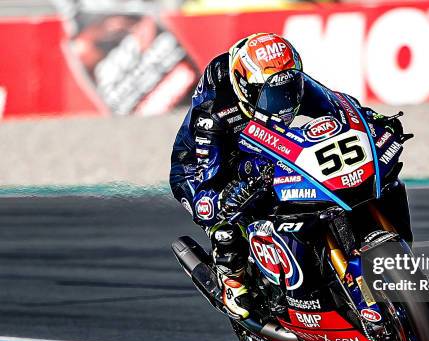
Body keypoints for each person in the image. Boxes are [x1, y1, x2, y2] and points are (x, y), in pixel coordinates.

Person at [170, 32, 411, 320]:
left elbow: (341, 108)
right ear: (246, 88)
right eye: (270, 94)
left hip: (258, 144)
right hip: (202, 166)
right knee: (222, 217)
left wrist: (373, 123)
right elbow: (207, 184)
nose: (282, 101)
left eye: (287, 88)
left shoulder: (289, 81)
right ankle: (231, 279)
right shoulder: (214, 114)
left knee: (382, 183)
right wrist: (224, 197)